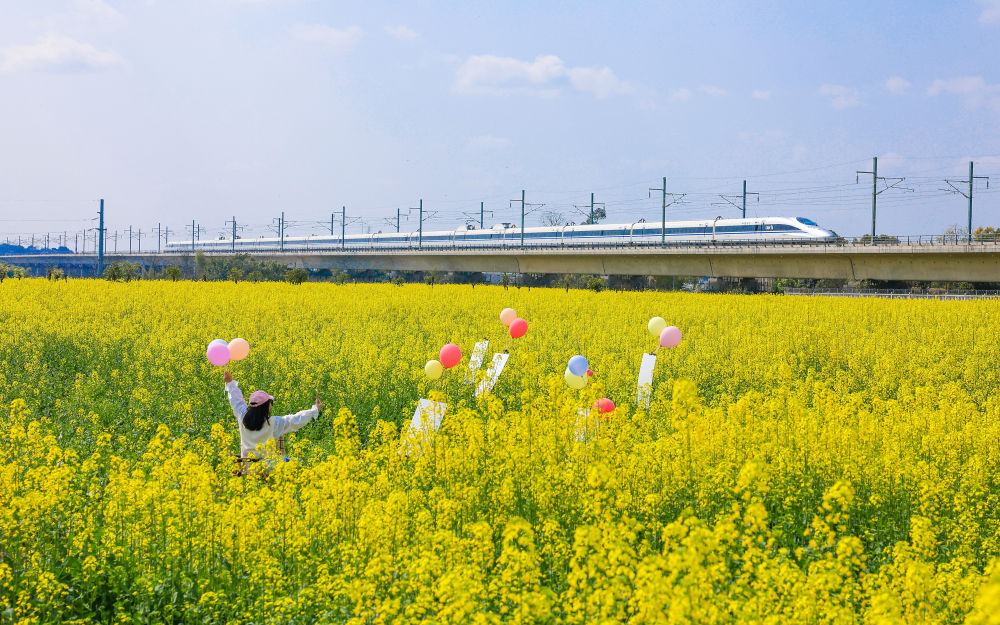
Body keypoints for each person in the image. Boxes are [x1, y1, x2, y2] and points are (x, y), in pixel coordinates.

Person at [223, 369, 322, 464]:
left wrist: (230, 383)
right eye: (270, 402)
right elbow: (296, 419)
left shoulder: (242, 416)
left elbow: (236, 400)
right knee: (298, 461)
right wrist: (314, 410)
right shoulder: (274, 423)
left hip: (247, 467)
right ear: (266, 406)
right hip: (268, 468)